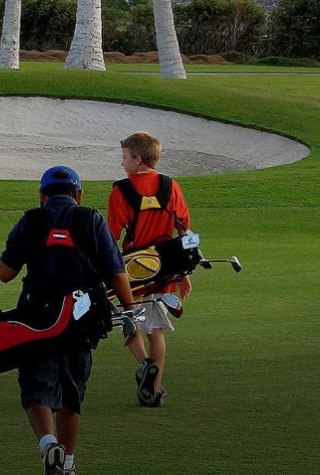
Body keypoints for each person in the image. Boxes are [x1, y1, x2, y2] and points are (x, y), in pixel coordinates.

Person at [0, 165, 136, 475]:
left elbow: (5, 274)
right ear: (79, 194)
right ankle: (68, 464)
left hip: (36, 317)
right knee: (72, 392)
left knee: (36, 385)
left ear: (42, 195)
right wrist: (129, 311)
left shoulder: (30, 221)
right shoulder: (92, 220)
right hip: (81, 319)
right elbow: (116, 273)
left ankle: (48, 444)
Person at [107, 131, 192, 408]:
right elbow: (185, 232)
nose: (122, 165)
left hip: (132, 270)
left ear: (138, 159)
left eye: (124, 159)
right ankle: (153, 391)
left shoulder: (121, 191)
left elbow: (112, 235)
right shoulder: (171, 186)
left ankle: (144, 365)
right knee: (156, 330)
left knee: (129, 322)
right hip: (166, 267)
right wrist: (185, 274)